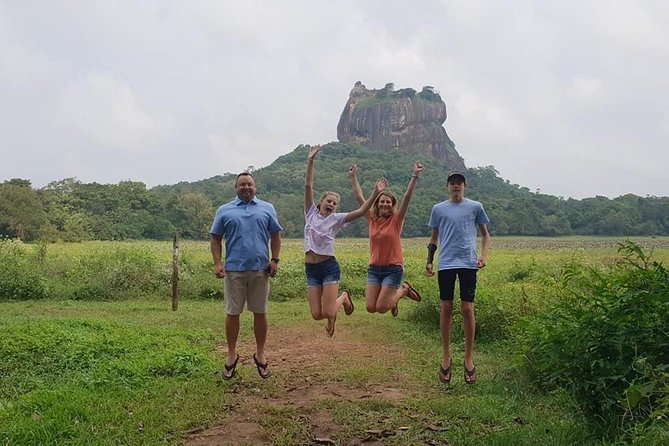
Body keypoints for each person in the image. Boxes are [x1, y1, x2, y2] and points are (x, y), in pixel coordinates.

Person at [304, 145, 387, 337]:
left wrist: (375, 192)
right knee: (317, 314)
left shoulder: (337, 219)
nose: (331, 205)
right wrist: (311, 161)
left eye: (334, 203)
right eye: (329, 201)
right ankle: (337, 306)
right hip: (311, 269)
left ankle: (344, 297)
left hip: (328, 267)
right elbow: (308, 186)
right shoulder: (310, 213)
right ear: (321, 202)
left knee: (329, 311)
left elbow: (361, 211)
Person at [210, 172, 283, 380]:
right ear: (236, 188)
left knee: (260, 312)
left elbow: (276, 235)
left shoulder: (267, 208)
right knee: (233, 313)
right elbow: (215, 238)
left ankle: (260, 353)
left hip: (261, 269)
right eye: (242, 185)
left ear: (255, 187)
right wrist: (217, 263)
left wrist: (275, 260)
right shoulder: (224, 210)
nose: (246, 187)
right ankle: (231, 354)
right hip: (234, 270)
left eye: (249, 184)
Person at [425, 172, 491, 385]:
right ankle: (446, 356)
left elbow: (485, 234)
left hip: (468, 264)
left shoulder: (475, 207)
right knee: (446, 308)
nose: (455, 186)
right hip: (446, 264)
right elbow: (434, 237)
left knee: (467, 309)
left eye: (459, 183)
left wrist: (484, 256)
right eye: (452, 184)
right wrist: (429, 260)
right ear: (447, 187)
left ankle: (469, 358)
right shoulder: (438, 209)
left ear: (464, 186)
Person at [349, 161, 424, 317]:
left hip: (393, 268)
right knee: (370, 307)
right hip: (374, 269)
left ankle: (403, 290)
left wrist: (414, 176)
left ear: (392, 205)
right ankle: (396, 296)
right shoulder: (372, 218)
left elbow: (407, 197)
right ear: (377, 204)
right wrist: (353, 176)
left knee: (382, 307)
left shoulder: (396, 220)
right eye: (382, 201)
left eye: (388, 202)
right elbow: (359, 197)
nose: (385, 204)